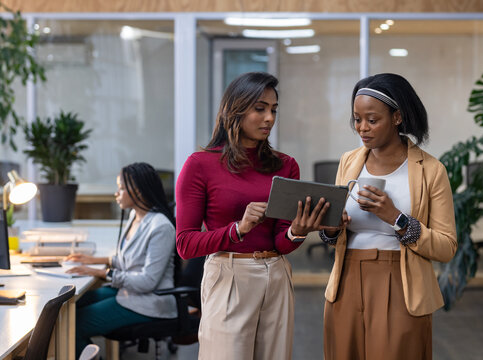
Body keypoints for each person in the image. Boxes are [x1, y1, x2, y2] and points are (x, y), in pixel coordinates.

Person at [176, 71, 329, 360]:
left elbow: (281, 242)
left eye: (273, 109)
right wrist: (238, 229)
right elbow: (185, 244)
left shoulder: (286, 166)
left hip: (277, 274)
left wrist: (297, 230)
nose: (269, 118)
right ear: (235, 109)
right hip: (228, 274)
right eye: (260, 108)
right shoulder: (200, 164)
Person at [319, 73, 457, 360]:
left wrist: (396, 218)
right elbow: (333, 236)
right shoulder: (349, 161)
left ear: (397, 117)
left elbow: (446, 247)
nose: (362, 128)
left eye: (372, 119)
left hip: (402, 283)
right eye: (357, 119)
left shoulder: (431, 170)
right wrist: (331, 229)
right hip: (346, 279)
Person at [66, 162, 177, 357]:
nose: (116, 193)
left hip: (149, 302)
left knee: (74, 325)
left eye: (121, 188)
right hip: (130, 293)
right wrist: (93, 260)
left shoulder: (161, 227)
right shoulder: (136, 216)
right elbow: (130, 260)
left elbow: (147, 281)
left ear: (139, 192)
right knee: (72, 306)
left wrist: (102, 272)